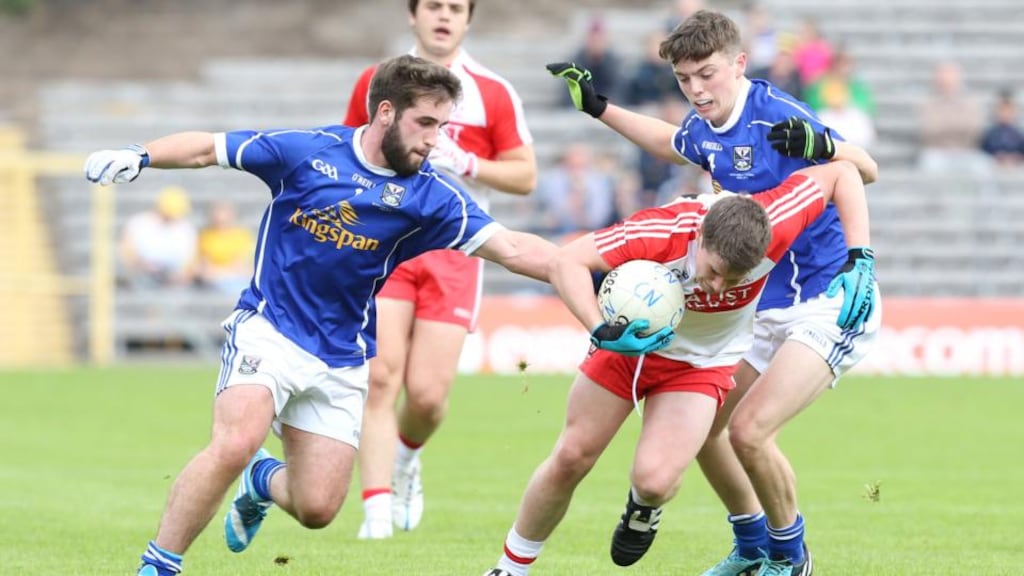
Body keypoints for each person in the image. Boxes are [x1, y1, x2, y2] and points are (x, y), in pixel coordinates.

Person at [83, 54, 557, 576]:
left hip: (339, 355)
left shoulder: (430, 195)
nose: (436, 141)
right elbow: (206, 149)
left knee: (317, 509)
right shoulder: (308, 152)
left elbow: (513, 249)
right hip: (269, 326)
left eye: (442, 127)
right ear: (384, 113)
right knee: (236, 440)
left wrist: (583, 271)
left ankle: (261, 480)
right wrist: (139, 155)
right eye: (425, 123)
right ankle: (159, 565)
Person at [546, 10, 881, 576]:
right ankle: (752, 549)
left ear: (738, 64)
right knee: (708, 431)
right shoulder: (705, 124)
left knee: (750, 431)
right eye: (684, 79)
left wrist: (826, 148)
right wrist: (599, 108)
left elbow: (863, 169)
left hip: (827, 297)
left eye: (707, 74)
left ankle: (791, 558)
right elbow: (673, 143)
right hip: (761, 304)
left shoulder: (776, 113)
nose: (697, 90)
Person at [483, 160, 877, 576]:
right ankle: (510, 568)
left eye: (735, 279)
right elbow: (567, 263)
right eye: (714, 272)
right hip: (627, 344)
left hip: (700, 364)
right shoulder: (662, 230)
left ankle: (644, 508)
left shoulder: (777, 218)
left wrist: (860, 256)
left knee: (654, 481)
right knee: (572, 457)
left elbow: (842, 172)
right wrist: (601, 329)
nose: (719, 287)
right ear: (701, 236)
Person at [341, 0, 537, 540]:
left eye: (455, 7)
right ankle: (376, 513)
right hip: (387, 245)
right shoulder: (376, 80)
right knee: (381, 377)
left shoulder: (492, 92)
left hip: (455, 250)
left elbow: (525, 177)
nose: (443, 16)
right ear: (413, 15)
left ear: (469, 19)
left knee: (427, 396)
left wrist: (468, 163)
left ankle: (407, 460)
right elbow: (346, 152)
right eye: (433, 5)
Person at [118, 185, 197, 288]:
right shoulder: (139, 223)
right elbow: (127, 253)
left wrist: (179, 276)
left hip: (175, 280)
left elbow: (191, 263)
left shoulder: (186, 229)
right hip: (143, 276)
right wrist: (142, 265)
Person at [195, 199, 255, 296]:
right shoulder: (205, 236)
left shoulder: (242, 236)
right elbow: (203, 266)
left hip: (235, 279)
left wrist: (219, 273)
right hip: (212, 282)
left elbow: (242, 266)